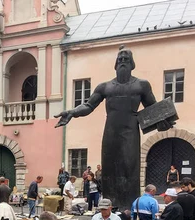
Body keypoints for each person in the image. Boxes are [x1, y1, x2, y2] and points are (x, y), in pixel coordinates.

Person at [55, 47, 171, 208]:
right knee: (109, 168)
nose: (123, 62)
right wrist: (72, 112)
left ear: (132, 64)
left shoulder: (141, 85)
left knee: (130, 167)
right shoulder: (105, 87)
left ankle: (129, 207)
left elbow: (153, 108)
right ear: (115, 64)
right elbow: (88, 106)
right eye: (120, 60)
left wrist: (162, 121)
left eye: (126, 60)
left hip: (130, 130)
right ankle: (109, 205)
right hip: (110, 130)